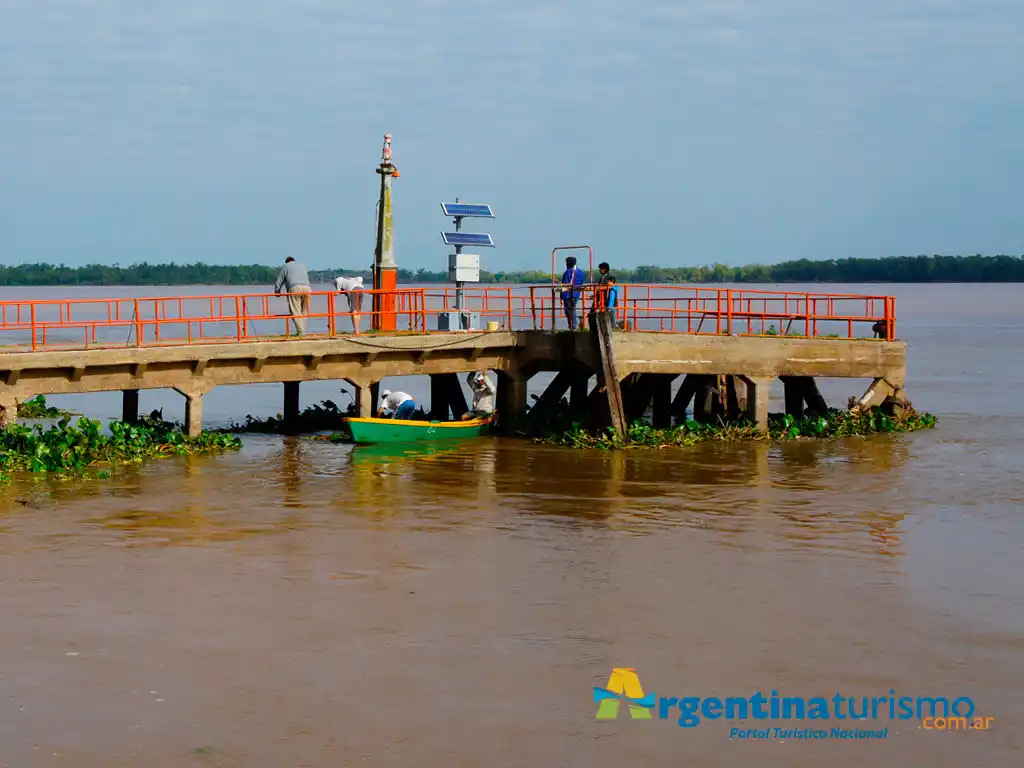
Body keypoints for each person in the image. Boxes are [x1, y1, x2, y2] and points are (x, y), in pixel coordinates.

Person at [274, 256, 312, 335]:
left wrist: (277, 291)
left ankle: (301, 332)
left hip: (295, 287)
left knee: (295, 311)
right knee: (304, 311)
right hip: (307, 288)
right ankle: (303, 331)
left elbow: (280, 280)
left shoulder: (286, 266)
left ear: (287, 262)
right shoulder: (302, 265)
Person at [559, 256, 585, 330]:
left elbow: (564, 286)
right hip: (576, 294)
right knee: (572, 309)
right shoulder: (580, 272)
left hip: (568, 295)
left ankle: (573, 326)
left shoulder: (567, 272)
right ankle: (573, 325)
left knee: (569, 310)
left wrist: (561, 297)